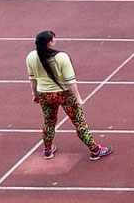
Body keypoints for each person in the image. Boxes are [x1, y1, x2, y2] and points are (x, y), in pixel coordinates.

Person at [29, 30, 110, 160]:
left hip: (44, 94)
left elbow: (32, 78)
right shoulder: (61, 57)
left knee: (49, 122)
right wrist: (78, 98)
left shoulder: (31, 57)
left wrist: (34, 94)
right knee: (79, 122)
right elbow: (70, 81)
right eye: (53, 39)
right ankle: (95, 150)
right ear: (50, 43)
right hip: (63, 94)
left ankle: (48, 149)